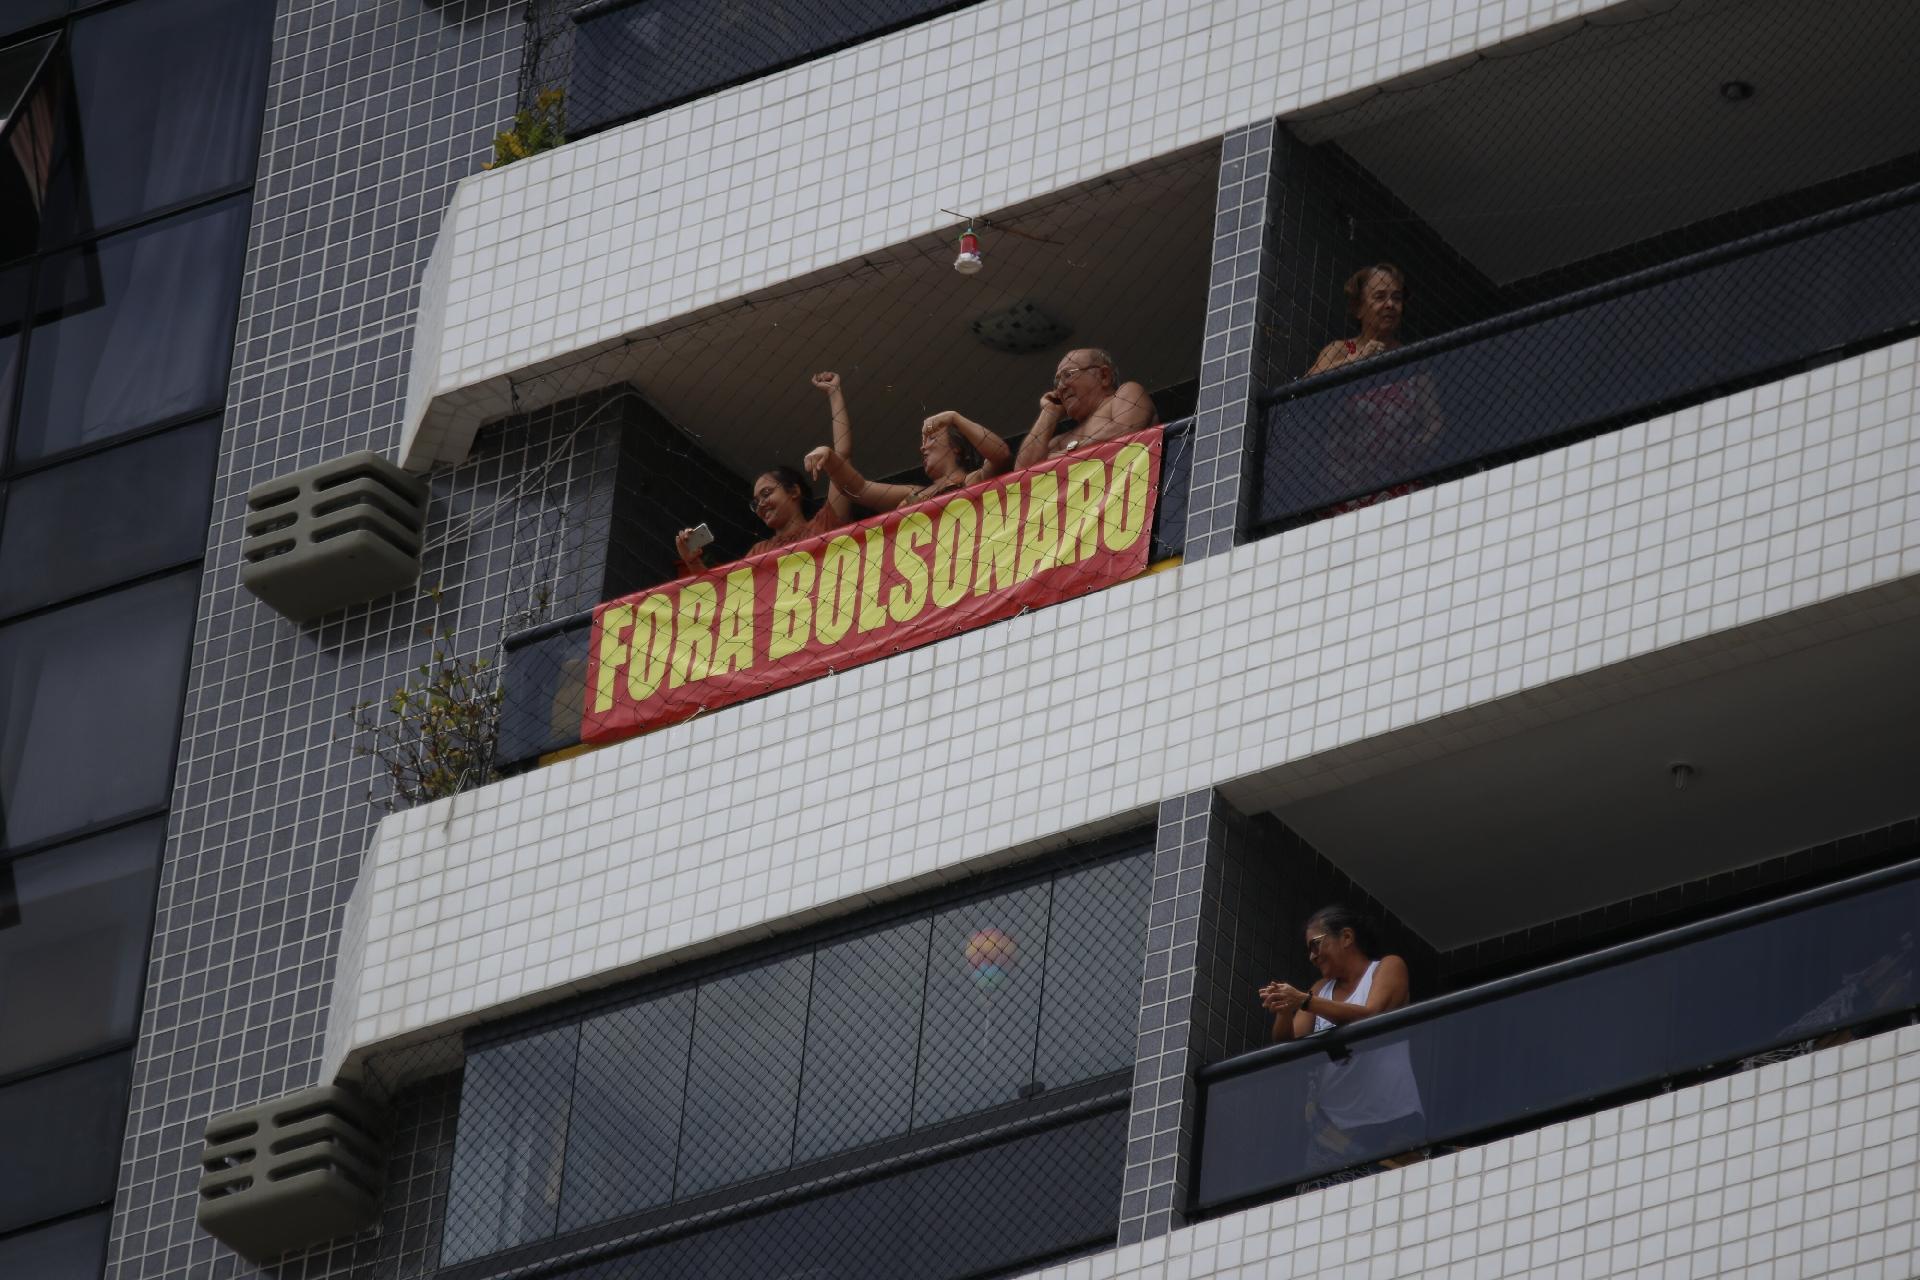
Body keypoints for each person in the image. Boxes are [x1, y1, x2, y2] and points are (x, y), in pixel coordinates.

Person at [1258, 904, 1424, 1168]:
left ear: (1346, 937)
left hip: (1392, 1117)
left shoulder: (1386, 968)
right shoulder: (1319, 990)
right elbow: (1288, 1046)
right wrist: (1284, 1009)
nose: (1312, 956)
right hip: (1335, 1127)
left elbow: (1370, 1016)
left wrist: (1303, 1000)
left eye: (1316, 945)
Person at [674, 371, 854, 575]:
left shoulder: (825, 524)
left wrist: (834, 393)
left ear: (794, 491)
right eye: (755, 502)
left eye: (766, 494)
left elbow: (843, 459)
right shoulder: (759, 552)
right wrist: (692, 562)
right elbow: (726, 600)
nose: (760, 505)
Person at [802, 405, 1010, 510]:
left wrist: (954, 417)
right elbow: (858, 489)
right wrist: (829, 456)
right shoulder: (913, 495)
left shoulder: (974, 480)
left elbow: (1001, 455)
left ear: (956, 447)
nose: (922, 447)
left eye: (931, 438)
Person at [1011, 348, 1155, 469]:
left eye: (1068, 375)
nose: (1061, 387)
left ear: (1104, 376)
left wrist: (1055, 457)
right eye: (1057, 381)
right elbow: (1023, 472)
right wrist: (1049, 412)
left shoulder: (1125, 394)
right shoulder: (1059, 440)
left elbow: (1125, 434)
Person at [1306, 264, 1407, 376]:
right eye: (1380, 297)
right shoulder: (1344, 349)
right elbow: (1306, 383)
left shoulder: (1407, 355)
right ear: (1358, 308)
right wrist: (1356, 359)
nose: (1390, 304)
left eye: (1397, 298)